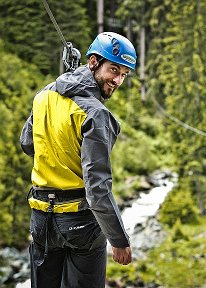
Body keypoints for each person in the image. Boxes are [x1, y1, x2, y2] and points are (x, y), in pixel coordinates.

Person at [20, 32, 137, 288]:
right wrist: (118, 240)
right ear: (93, 62)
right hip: (80, 223)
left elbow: (28, 144)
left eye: (124, 75)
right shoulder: (96, 113)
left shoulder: (44, 96)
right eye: (114, 70)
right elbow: (97, 187)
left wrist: (68, 78)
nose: (117, 80)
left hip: (42, 219)